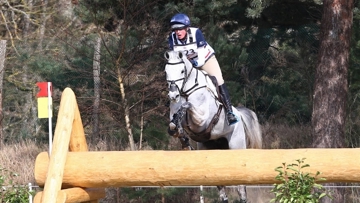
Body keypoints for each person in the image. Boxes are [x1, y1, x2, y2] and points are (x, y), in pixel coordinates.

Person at [168, 13, 239, 125]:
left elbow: (201, 54)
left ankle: (229, 112)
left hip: (205, 60)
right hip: (189, 65)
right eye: (175, 30)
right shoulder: (172, 38)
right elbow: (176, 57)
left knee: (219, 81)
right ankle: (177, 117)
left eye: (180, 29)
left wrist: (195, 63)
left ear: (187, 28)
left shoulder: (196, 32)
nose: (178, 32)